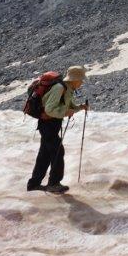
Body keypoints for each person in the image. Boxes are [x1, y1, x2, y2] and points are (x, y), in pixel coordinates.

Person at [29, 65, 89, 194]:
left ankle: (34, 184)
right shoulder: (59, 88)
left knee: (44, 155)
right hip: (48, 124)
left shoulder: (68, 88)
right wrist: (66, 112)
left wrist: (80, 107)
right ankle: (54, 183)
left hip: (50, 125)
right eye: (81, 79)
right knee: (57, 152)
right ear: (75, 79)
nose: (82, 82)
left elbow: (68, 106)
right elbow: (49, 109)